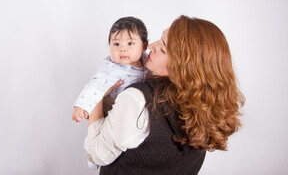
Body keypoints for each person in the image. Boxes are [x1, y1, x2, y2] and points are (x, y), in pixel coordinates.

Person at [84, 15, 245, 174]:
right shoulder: (204, 107)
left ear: (183, 66)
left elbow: (97, 154)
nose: (151, 46)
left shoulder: (137, 99)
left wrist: (97, 97)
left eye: (162, 48)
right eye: (160, 39)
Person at [72, 16, 150, 169]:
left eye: (130, 43)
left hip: (131, 107)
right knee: (104, 130)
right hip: (111, 103)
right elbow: (95, 85)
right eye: (116, 44)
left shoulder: (147, 61)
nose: (122, 48)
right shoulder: (111, 67)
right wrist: (81, 106)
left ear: (144, 46)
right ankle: (92, 156)